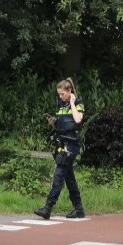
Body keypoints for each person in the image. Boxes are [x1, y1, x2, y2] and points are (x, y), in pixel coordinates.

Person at [35, 78, 86, 220]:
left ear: (69, 91)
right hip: (62, 142)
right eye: (59, 94)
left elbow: (77, 120)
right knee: (69, 177)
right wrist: (54, 123)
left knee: (59, 174)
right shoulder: (60, 104)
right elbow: (61, 125)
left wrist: (71, 102)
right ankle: (79, 208)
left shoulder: (77, 103)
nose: (60, 96)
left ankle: (48, 207)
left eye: (62, 94)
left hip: (72, 144)